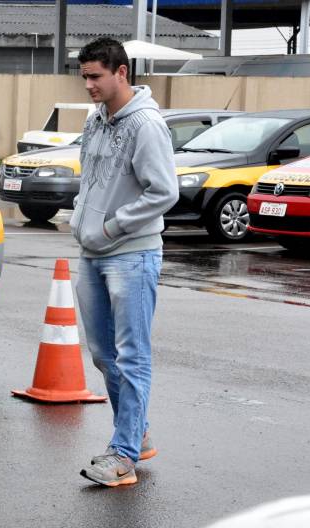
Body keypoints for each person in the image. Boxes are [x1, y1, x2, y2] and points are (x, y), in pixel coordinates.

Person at [72, 37, 178, 487]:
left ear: (121, 72)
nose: (89, 86)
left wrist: (114, 226)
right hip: (92, 253)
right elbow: (91, 179)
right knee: (104, 355)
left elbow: (164, 191)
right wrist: (82, 219)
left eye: (95, 76)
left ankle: (124, 455)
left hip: (132, 254)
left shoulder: (147, 125)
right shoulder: (95, 119)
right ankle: (138, 434)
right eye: (84, 77)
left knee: (132, 356)